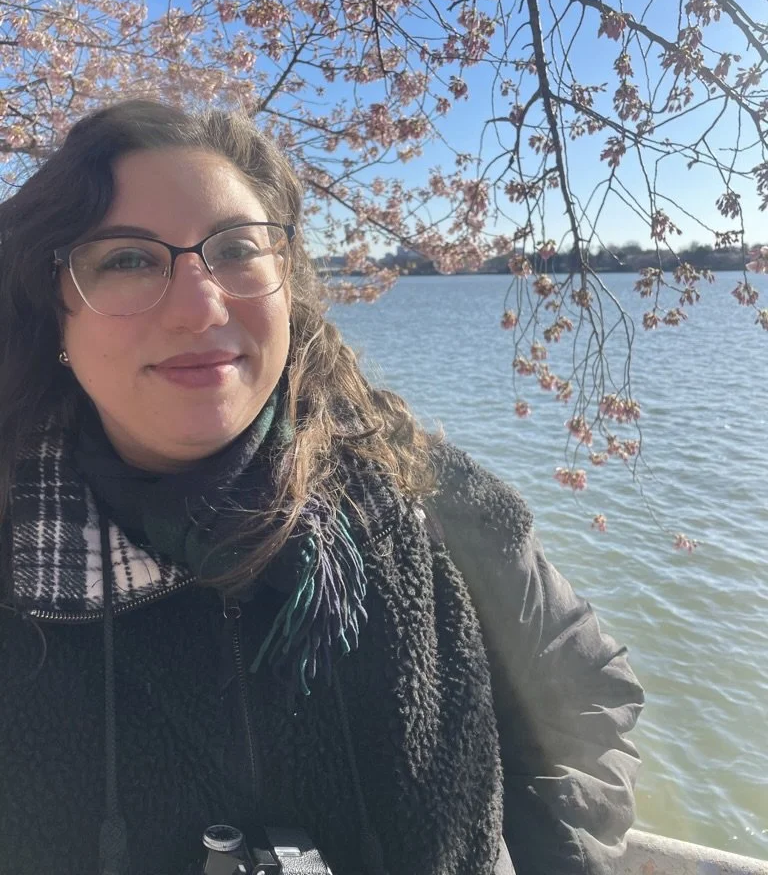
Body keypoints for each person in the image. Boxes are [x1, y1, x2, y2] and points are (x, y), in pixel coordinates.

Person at [0, 100, 643, 875]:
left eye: (236, 249)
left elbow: (584, 697)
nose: (201, 305)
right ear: (55, 313)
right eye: (129, 259)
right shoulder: (18, 559)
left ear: (287, 284)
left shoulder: (426, 497)